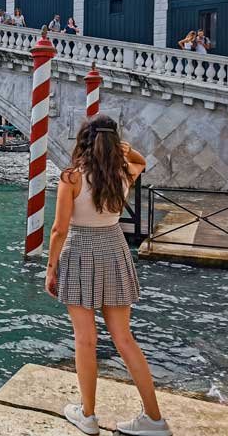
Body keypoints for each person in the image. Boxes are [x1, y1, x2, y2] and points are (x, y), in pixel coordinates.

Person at [45, 115, 172, 436]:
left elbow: (59, 229)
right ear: (114, 142)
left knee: (85, 340)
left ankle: (87, 416)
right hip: (114, 248)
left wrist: (50, 269)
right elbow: (140, 160)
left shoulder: (71, 178)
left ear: (82, 141)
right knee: (124, 338)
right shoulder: (124, 172)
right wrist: (124, 149)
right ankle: (154, 420)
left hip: (80, 249)